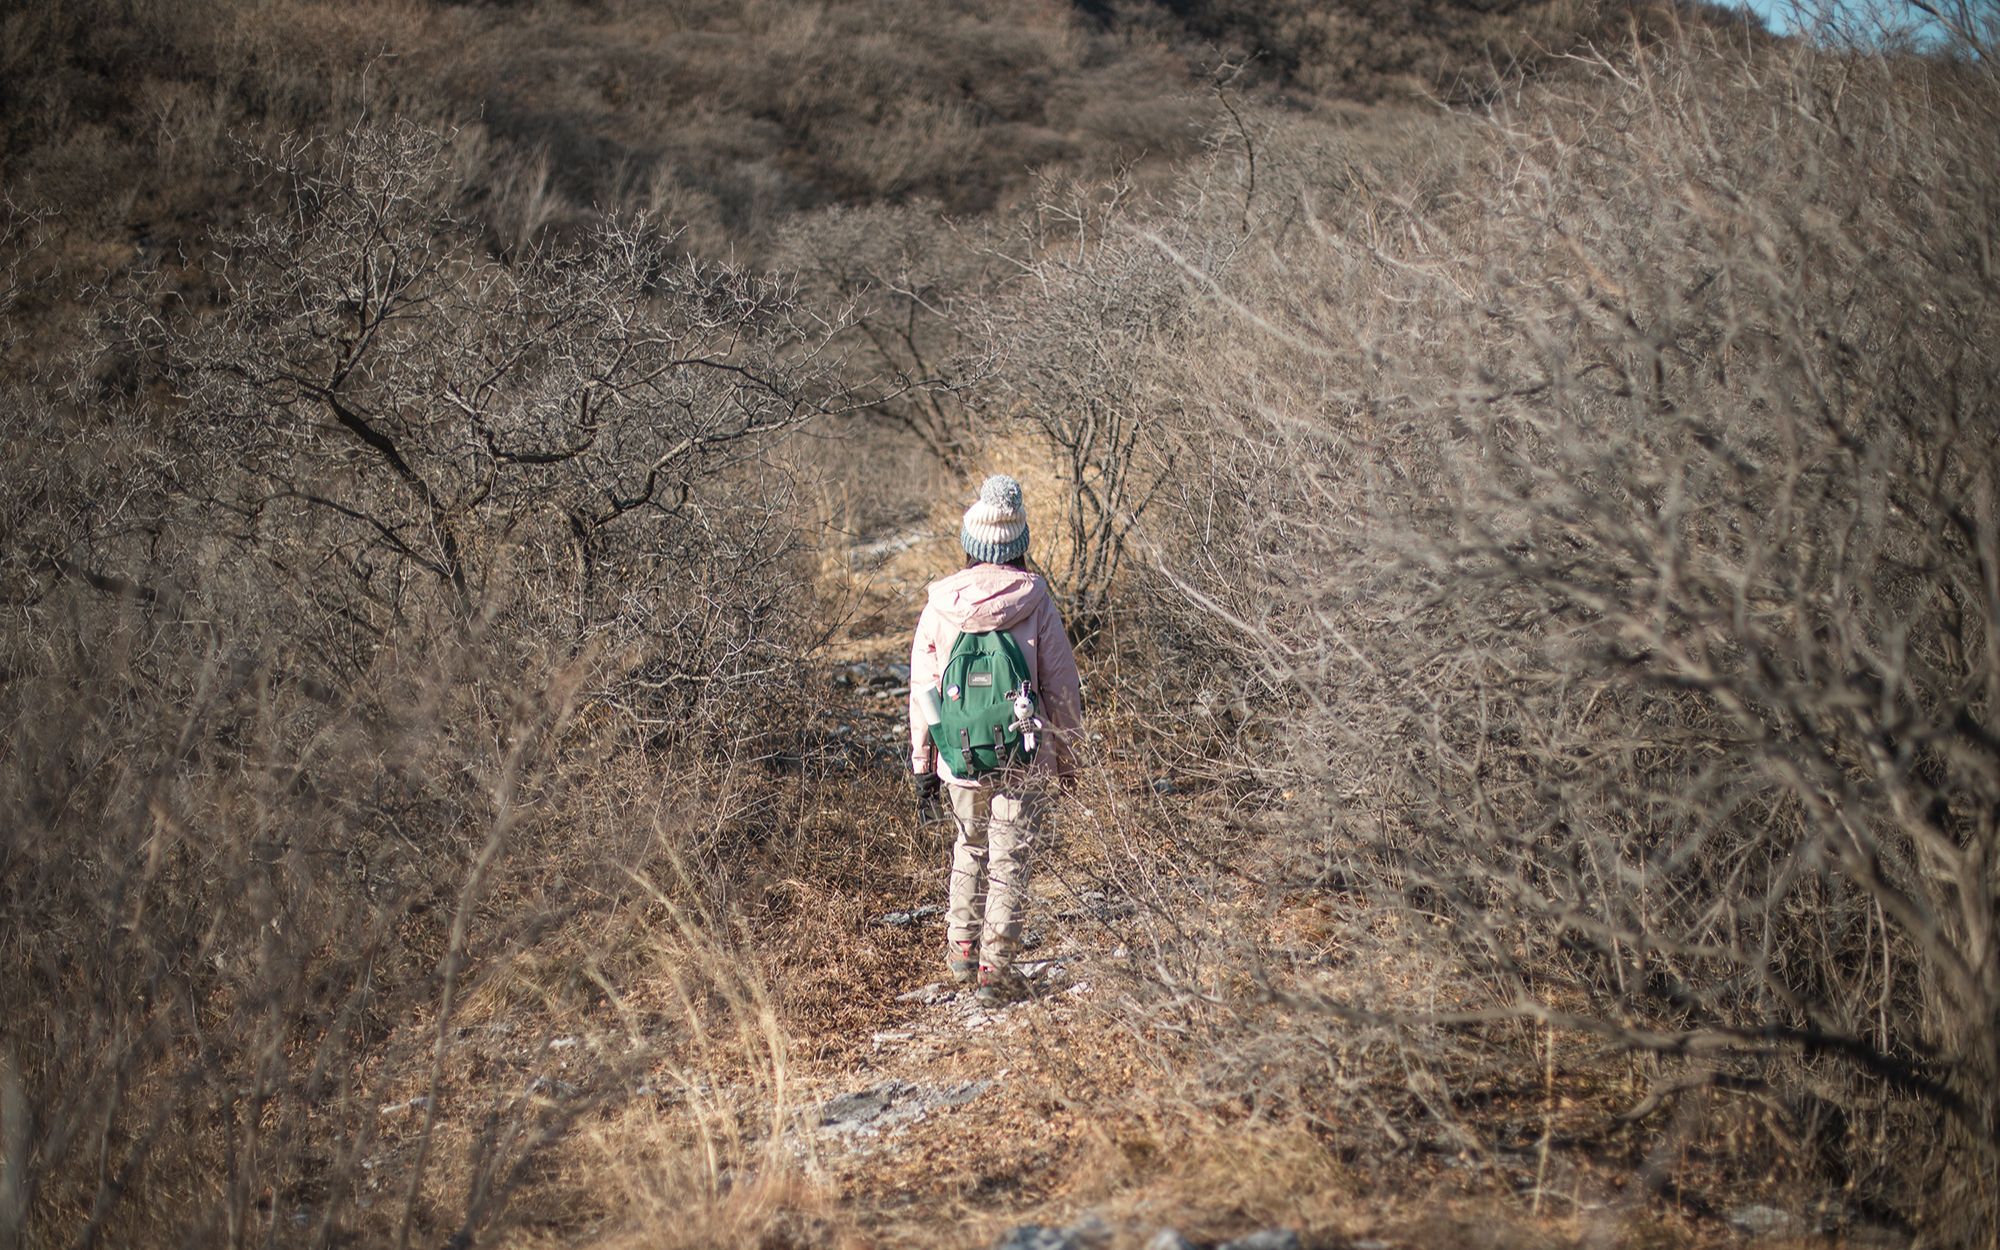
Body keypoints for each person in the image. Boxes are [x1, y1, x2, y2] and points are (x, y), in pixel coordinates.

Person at [909, 475, 1083, 1005]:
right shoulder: (1035, 601)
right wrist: (1071, 758)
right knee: (1010, 856)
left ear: (970, 544)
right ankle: (995, 969)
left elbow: (925, 689)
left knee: (969, 844)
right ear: (1019, 545)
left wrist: (925, 761)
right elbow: (1061, 685)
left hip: (959, 753)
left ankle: (961, 949)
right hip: (1022, 752)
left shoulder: (940, 602)